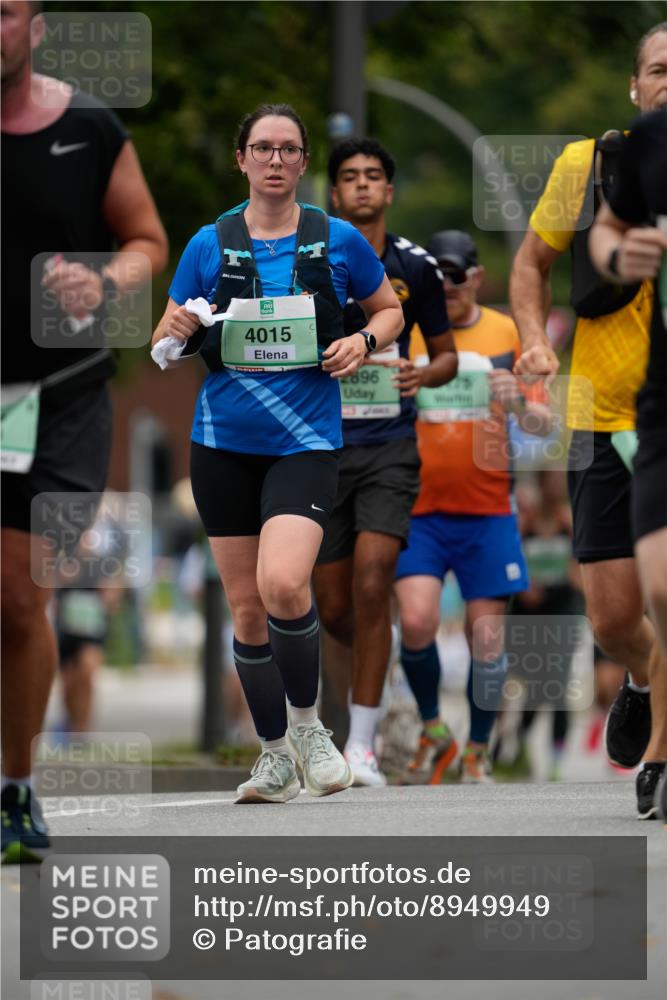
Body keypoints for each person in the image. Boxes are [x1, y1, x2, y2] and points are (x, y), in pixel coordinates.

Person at [151, 104, 403, 804]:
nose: (273, 160)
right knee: (246, 610)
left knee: (285, 585)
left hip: (307, 441)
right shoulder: (209, 242)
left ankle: (309, 729)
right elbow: (167, 343)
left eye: (288, 149)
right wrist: (171, 328)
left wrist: (365, 341)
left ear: (301, 163)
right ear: (242, 160)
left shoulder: (338, 238)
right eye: (261, 148)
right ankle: (271, 757)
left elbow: (388, 310)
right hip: (222, 444)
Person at [0, 0, 168, 861]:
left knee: (22, 596)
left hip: (60, 396)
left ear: (35, 27)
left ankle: (16, 792)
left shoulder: (90, 127)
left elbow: (147, 239)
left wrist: (104, 282)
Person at [509, 22, 667, 817]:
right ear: (634, 88)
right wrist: (534, 340)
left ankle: (663, 753)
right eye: (658, 70)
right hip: (604, 419)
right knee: (611, 617)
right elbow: (532, 265)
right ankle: (639, 679)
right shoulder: (591, 165)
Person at [312, 138, 458, 786]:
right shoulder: (306, 260)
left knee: (375, 584)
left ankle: (362, 745)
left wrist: (419, 375)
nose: (363, 186)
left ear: (389, 191)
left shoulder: (415, 266)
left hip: (389, 448)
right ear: (334, 193)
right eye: (350, 177)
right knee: (332, 606)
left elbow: (447, 354)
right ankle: (377, 661)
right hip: (316, 444)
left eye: (374, 176)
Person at [396, 231, 551, 783]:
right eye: (435, 278)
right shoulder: (406, 329)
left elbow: (545, 423)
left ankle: (479, 748)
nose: (447, 287)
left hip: (488, 511)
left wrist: (518, 402)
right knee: (415, 621)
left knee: (486, 642)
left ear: (477, 279)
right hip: (417, 509)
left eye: (456, 277)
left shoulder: (507, 331)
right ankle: (435, 731)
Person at [589, 105, 667, 818]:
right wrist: (617, 255)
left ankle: (660, 750)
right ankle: (644, 685)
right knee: (644, 603)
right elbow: (600, 235)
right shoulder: (645, 145)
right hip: (645, 404)